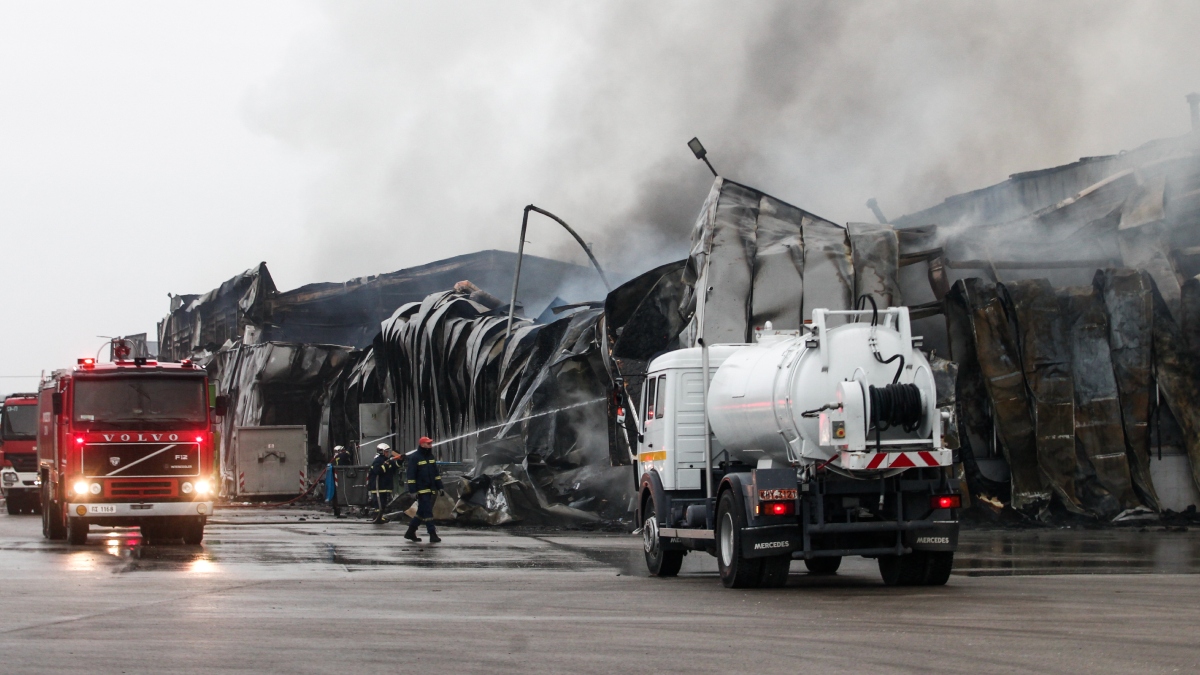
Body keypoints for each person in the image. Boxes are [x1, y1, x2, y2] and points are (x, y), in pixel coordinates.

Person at [404, 436, 443, 543]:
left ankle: (410, 532)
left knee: (421, 512)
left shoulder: (430, 457)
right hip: (421, 490)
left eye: (431, 443)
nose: (431, 445)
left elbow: (436, 474)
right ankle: (432, 534)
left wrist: (440, 487)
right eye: (428, 443)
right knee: (428, 512)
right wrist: (413, 491)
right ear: (422, 445)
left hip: (430, 489)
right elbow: (410, 476)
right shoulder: (415, 457)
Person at [366, 442, 402, 524]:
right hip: (378, 487)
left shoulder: (387, 460)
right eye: (386, 451)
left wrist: (401, 460)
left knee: (383, 504)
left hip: (384, 487)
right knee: (378, 504)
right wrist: (385, 465)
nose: (387, 453)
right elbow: (378, 471)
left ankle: (380, 517)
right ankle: (377, 518)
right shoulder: (378, 461)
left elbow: (395, 466)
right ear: (381, 452)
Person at [325, 445, 354, 518]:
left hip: (336, 480)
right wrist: (350, 449)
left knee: (336, 496)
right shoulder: (341, 456)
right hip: (340, 479)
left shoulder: (335, 458)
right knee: (338, 495)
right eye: (343, 450)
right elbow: (346, 455)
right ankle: (337, 510)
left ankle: (336, 510)